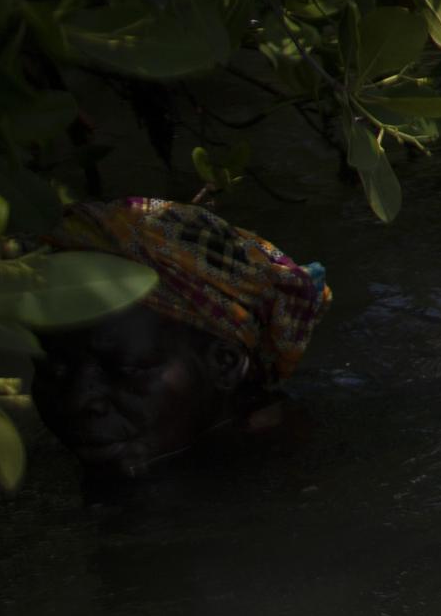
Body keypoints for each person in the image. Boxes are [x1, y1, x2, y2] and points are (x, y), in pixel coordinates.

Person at [25, 198, 330, 481]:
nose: (77, 401)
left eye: (126, 370)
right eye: (53, 369)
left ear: (224, 364)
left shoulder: (299, 481)